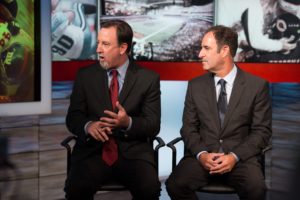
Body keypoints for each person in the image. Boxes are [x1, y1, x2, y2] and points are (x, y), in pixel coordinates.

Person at [166, 25, 272, 200]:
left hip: (240, 158)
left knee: (256, 187)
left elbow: (262, 132)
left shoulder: (257, 86)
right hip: (204, 156)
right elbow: (188, 128)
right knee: (175, 184)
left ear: (224, 51)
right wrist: (202, 155)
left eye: (206, 48)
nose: (200, 54)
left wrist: (234, 157)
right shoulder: (195, 86)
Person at [64, 19, 161, 200]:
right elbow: (73, 117)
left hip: (134, 153)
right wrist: (88, 126)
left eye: (105, 44)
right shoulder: (85, 76)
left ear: (123, 48)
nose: (98, 49)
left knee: (150, 189)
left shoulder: (148, 79)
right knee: (76, 189)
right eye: (99, 42)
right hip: (93, 152)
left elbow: (153, 124)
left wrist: (128, 123)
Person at [217, 0, 297, 61]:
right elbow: (256, 41)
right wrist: (280, 45)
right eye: (280, 10)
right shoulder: (254, 5)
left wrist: (241, 43)